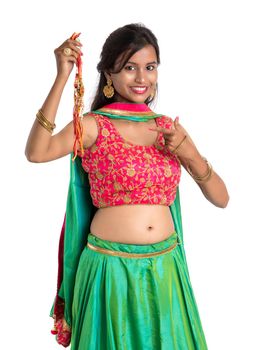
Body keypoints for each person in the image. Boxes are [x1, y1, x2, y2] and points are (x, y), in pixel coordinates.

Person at [25, 23, 229, 350]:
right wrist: (62, 77)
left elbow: (221, 198)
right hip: (110, 272)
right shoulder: (94, 125)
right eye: (130, 68)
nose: (141, 78)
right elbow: (36, 152)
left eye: (149, 68)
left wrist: (189, 153)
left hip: (165, 270)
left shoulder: (167, 128)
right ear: (109, 74)